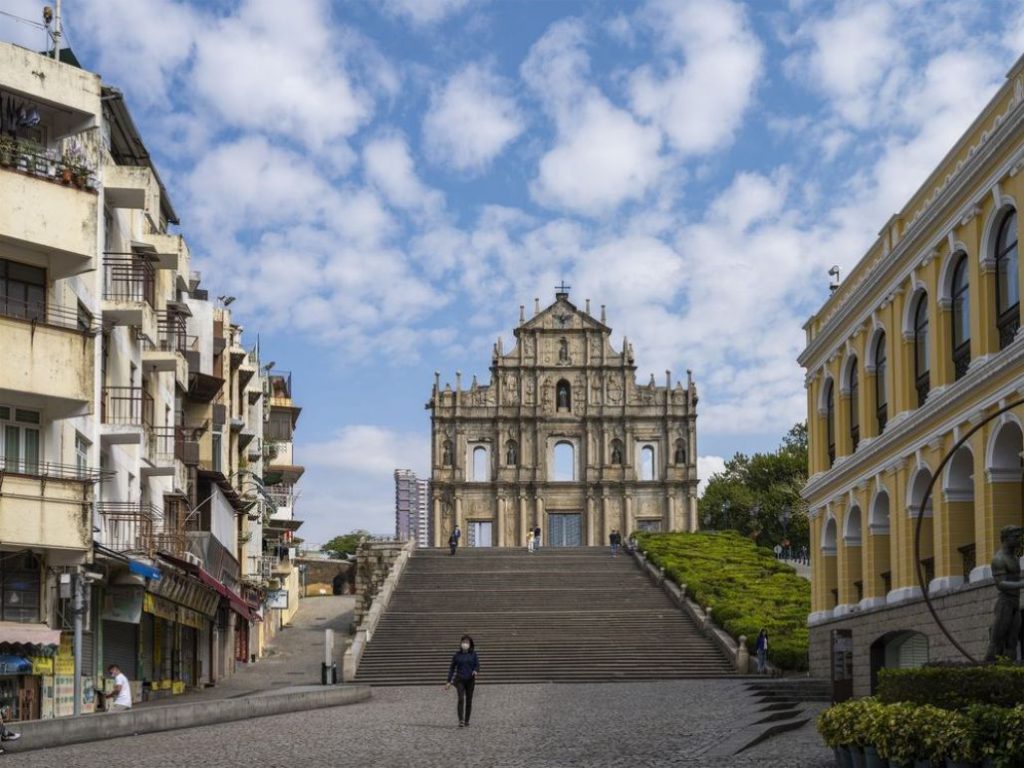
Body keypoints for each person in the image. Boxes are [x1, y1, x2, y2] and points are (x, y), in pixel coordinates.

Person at [445, 635, 479, 727]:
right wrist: (449, 681)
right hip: (459, 680)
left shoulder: (473, 654)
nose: (465, 644)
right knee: (461, 698)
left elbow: (477, 665)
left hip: (470, 680)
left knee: (469, 700)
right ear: (461, 643)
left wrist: (475, 670)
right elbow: (452, 668)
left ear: (470, 644)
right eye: (463, 642)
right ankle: (461, 720)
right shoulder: (457, 655)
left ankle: (467, 720)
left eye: (467, 642)